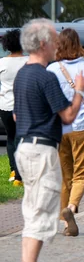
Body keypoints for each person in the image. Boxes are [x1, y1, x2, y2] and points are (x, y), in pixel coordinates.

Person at [12, 19, 84, 262]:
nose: (58, 44)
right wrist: (79, 90)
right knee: (42, 211)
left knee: (33, 209)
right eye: (55, 39)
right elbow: (68, 115)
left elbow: (16, 115)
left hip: (25, 146)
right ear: (43, 43)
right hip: (41, 149)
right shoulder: (45, 77)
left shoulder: (23, 74)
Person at [46, 29, 84, 237]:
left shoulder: (52, 69)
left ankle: (66, 223)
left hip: (59, 126)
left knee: (65, 174)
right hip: (82, 123)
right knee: (82, 172)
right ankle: (71, 208)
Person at [1, 28, 27, 186]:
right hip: (25, 106)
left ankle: (13, 170)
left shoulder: (1, 63)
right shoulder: (29, 61)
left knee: (11, 138)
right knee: (23, 138)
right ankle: (20, 173)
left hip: (5, 105)